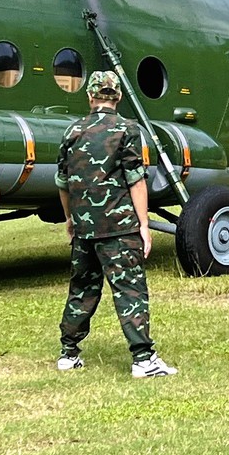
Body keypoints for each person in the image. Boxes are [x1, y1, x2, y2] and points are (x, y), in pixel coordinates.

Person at [55, 70, 176, 378]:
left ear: (90, 96)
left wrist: (70, 218)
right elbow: (136, 180)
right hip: (119, 227)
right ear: (119, 96)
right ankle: (143, 359)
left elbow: (63, 182)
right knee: (130, 290)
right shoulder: (128, 129)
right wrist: (144, 224)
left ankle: (68, 353)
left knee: (82, 288)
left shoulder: (72, 131)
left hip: (84, 227)